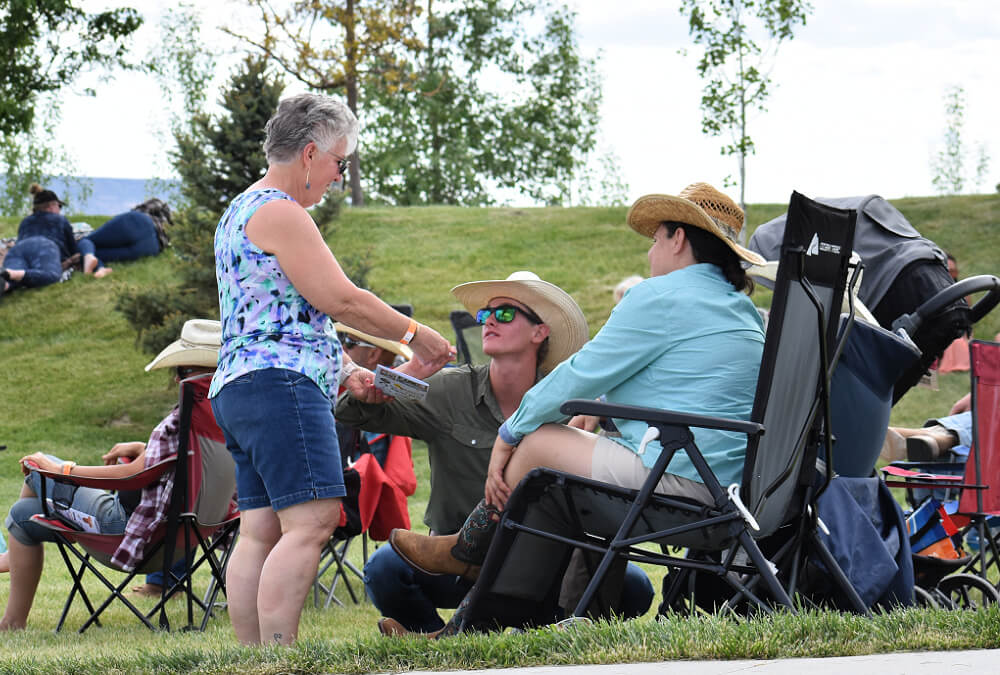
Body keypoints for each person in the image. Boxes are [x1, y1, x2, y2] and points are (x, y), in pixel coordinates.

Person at [387, 183, 767, 637]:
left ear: (678, 239)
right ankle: (473, 626)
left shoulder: (659, 297)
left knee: (536, 443)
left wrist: (510, 433)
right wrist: (602, 410)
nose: (651, 253)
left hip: (681, 488)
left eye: (655, 240)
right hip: (731, 498)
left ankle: (467, 549)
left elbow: (578, 373)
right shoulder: (742, 312)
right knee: (545, 492)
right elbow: (687, 391)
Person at [208, 92, 453, 646]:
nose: (340, 176)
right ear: (312, 152)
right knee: (313, 520)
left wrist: (346, 372)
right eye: (341, 162)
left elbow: (282, 310)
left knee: (260, 530)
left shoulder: (240, 210)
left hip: (241, 384)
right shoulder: (281, 212)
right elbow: (341, 299)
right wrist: (416, 335)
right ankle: (281, 655)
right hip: (279, 386)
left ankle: (253, 656)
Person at [339, 271, 654, 636]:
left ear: (540, 332)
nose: (489, 321)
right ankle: (430, 635)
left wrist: (599, 409)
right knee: (384, 570)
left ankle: (537, 630)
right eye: (485, 315)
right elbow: (353, 411)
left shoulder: (569, 401)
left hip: (542, 563)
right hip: (458, 561)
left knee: (635, 588)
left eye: (504, 314)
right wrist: (407, 371)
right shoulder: (449, 390)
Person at [0, 319, 221, 630]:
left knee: (38, 468)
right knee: (25, 512)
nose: (175, 379)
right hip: (189, 539)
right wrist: (146, 450)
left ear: (196, 376)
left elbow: (132, 477)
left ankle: (12, 586)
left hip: (129, 533)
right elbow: (184, 464)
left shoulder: (180, 422)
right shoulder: (226, 419)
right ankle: (12, 601)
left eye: (182, 371)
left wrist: (63, 471)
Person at [335, 322, 414, 467]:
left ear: (373, 354)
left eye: (350, 342)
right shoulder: (395, 390)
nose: (342, 348)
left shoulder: (372, 397)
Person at [0, 184, 98, 299]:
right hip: (45, 246)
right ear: (52, 206)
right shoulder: (60, 220)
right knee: (51, 275)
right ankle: (16, 274)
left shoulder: (25, 221)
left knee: (8, 277)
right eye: (59, 206)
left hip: (18, 250)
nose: (60, 210)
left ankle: (7, 281)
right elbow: (74, 250)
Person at [77, 198, 173, 277]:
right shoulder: (168, 231)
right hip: (151, 247)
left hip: (140, 223)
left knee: (87, 240)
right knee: (94, 253)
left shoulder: (157, 205)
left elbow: (142, 208)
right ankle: (100, 269)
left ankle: (89, 256)